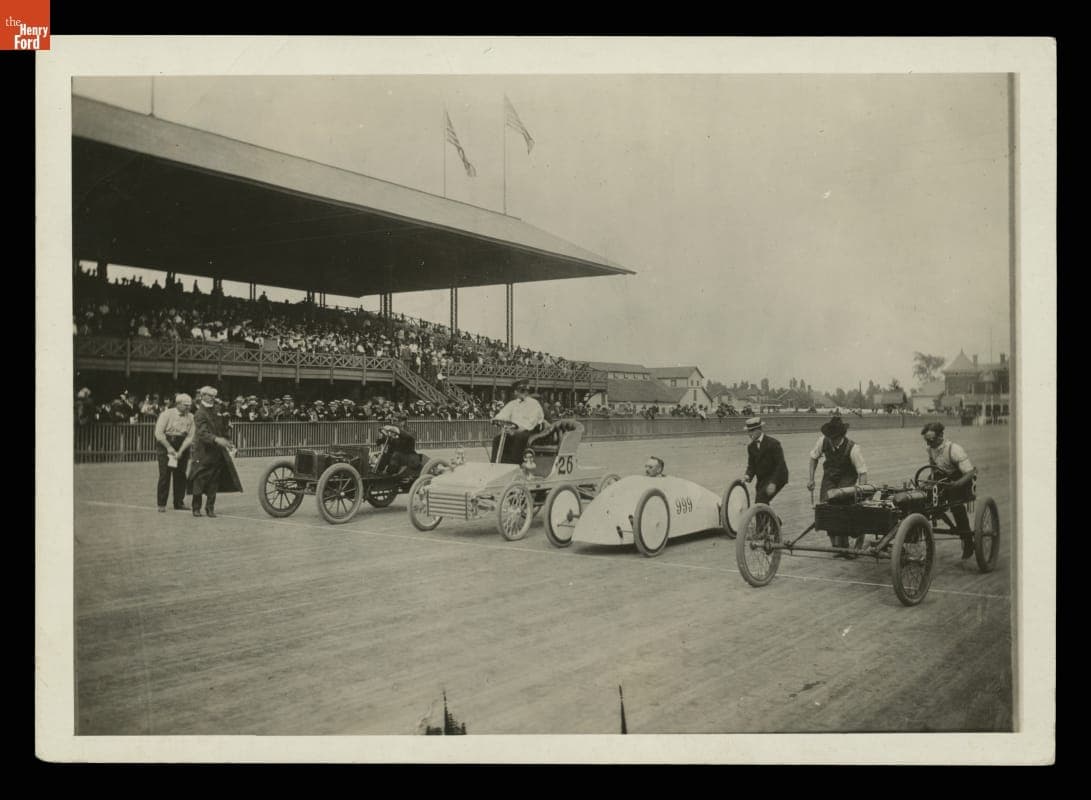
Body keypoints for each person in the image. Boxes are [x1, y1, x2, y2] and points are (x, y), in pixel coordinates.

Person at [806, 415, 869, 556]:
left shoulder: (853, 449)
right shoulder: (823, 441)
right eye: (830, 437)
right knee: (826, 506)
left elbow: (862, 473)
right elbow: (813, 458)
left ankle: (845, 544)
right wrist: (811, 479)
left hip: (847, 478)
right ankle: (835, 543)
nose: (832, 441)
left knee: (842, 507)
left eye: (835, 438)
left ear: (842, 435)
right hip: (830, 476)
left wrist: (861, 491)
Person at [921, 421, 978, 559]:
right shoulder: (931, 449)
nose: (928, 444)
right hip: (943, 477)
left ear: (940, 436)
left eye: (931, 440)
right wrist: (929, 483)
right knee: (922, 497)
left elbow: (970, 473)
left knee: (956, 505)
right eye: (926, 440)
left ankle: (968, 540)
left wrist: (956, 484)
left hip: (960, 478)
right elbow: (933, 467)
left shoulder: (954, 449)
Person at [187, 386, 242, 518]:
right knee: (199, 479)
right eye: (210, 396)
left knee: (214, 480)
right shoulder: (200, 413)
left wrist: (228, 439)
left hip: (216, 451)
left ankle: (210, 508)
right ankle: (196, 508)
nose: (213, 398)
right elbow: (202, 433)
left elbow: (221, 430)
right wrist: (217, 439)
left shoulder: (216, 411)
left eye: (214, 396)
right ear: (203, 396)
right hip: (203, 452)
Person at [154, 393, 196, 512]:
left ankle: (179, 502)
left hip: (182, 445)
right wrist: (169, 448)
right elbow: (159, 434)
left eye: (189, 405)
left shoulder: (191, 417)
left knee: (181, 474)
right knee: (165, 475)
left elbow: (190, 436)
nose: (188, 408)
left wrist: (181, 451)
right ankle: (161, 503)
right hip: (166, 444)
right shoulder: (166, 414)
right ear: (178, 404)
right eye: (185, 405)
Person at [490, 380, 545, 464]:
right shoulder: (512, 404)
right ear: (516, 392)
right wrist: (496, 420)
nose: (524, 393)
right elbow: (503, 415)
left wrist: (515, 430)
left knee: (519, 438)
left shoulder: (534, 404)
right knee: (498, 439)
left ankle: (515, 465)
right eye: (521, 390)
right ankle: (495, 464)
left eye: (525, 390)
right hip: (514, 431)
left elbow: (530, 424)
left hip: (530, 431)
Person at [742, 417, 789, 504]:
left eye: (752, 431)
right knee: (761, 503)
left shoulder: (773, 443)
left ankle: (768, 517)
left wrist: (774, 483)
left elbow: (780, 465)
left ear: (759, 430)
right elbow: (751, 465)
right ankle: (771, 518)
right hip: (762, 480)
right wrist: (747, 476)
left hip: (777, 477)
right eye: (748, 431)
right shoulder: (751, 447)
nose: (749, 434)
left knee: (761, 501)